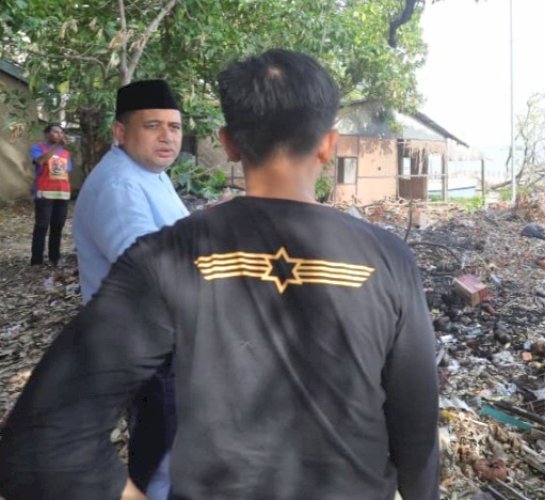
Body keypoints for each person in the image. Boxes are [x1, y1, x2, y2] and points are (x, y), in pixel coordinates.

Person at [0, 49, 440, 500]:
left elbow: (41, 439)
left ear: (228, 143)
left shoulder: (166, 256)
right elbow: (417, 431)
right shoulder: (389, 259)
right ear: (329, 144)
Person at [71, 79, 189, 500]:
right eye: (152, 125)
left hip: (161, 340)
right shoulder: (120, 185)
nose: (167, 137)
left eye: (174, 127)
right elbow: (147, 272)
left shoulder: (151, 174)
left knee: (171, 447)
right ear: (120, 133)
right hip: (143, 345)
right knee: (163, 461)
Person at [29, 124, 72, 267]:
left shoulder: (66, 153)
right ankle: (36, 261)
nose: (59, 134)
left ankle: (55, 257)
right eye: (55, 132)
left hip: (62, 193)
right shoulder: (38, 148)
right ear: (46, 134)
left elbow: (66, 172)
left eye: (61, 132)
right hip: (44, 192)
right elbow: (41, 161)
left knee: (57, 226)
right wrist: (55, 148)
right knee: (42, 226)